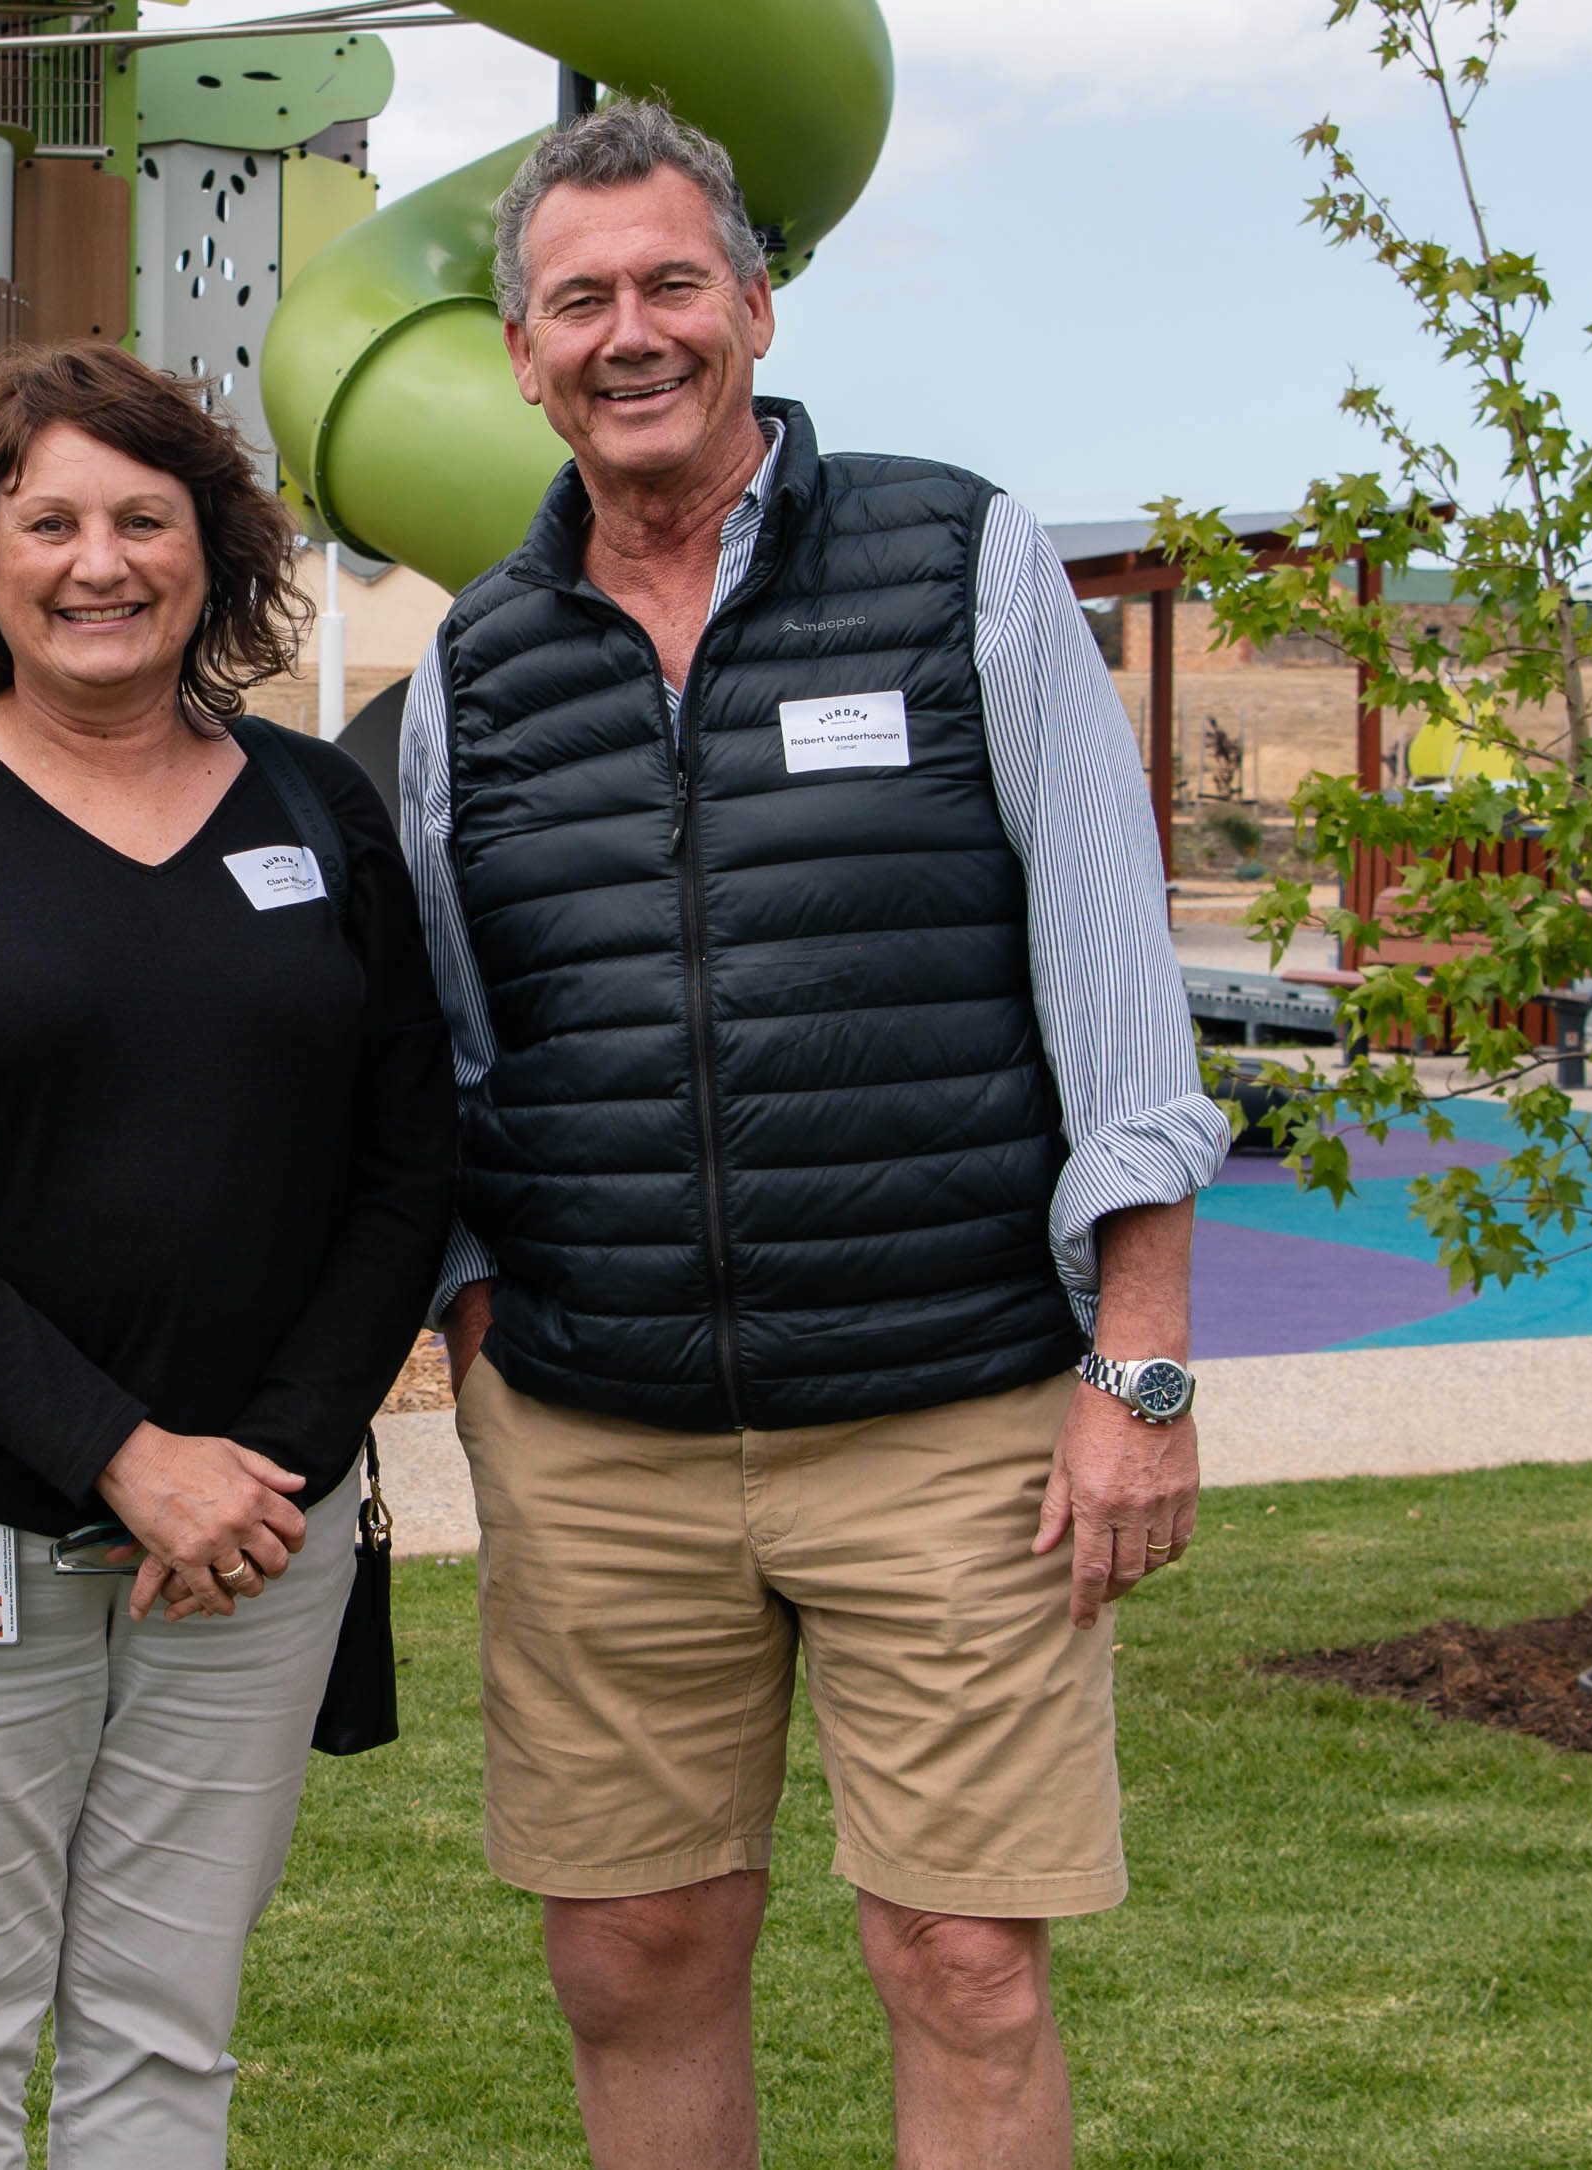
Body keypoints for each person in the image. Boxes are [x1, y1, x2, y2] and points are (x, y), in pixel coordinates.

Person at [400, 102, 1229, 2170]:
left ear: (756, 307)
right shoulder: (475, 671)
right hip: (597, 1435)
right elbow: (439, 1047)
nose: (629, 331)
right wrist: (475, 1331)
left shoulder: (957, 558)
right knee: (632, 1945)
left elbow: (1112, 981)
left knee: (964, 1955)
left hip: (949, 1415)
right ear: (519, 355)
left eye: (673, 281)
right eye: (577, 298)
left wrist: (1136, 1367)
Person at [0, 340, 456, 2168]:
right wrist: (126, 1457)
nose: (98, 560)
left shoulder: (317, 809)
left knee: (165, 2026)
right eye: (48, 518)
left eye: (144, 518)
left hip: (254, 1533)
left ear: (212, 553)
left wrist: (270, 1456)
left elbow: (404, 1164)